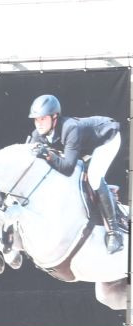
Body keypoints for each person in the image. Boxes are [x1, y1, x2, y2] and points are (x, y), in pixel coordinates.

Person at [27, 94, 126, 254]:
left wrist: (47, 155)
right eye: (36, 119)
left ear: (54, 117)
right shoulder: (37, 134)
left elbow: (67, 168)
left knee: (94, 178)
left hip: (107, 138)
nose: (39, 124)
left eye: (43, 119)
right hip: (86, 147)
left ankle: (114, 233)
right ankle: (106, 192)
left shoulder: (70, 128)